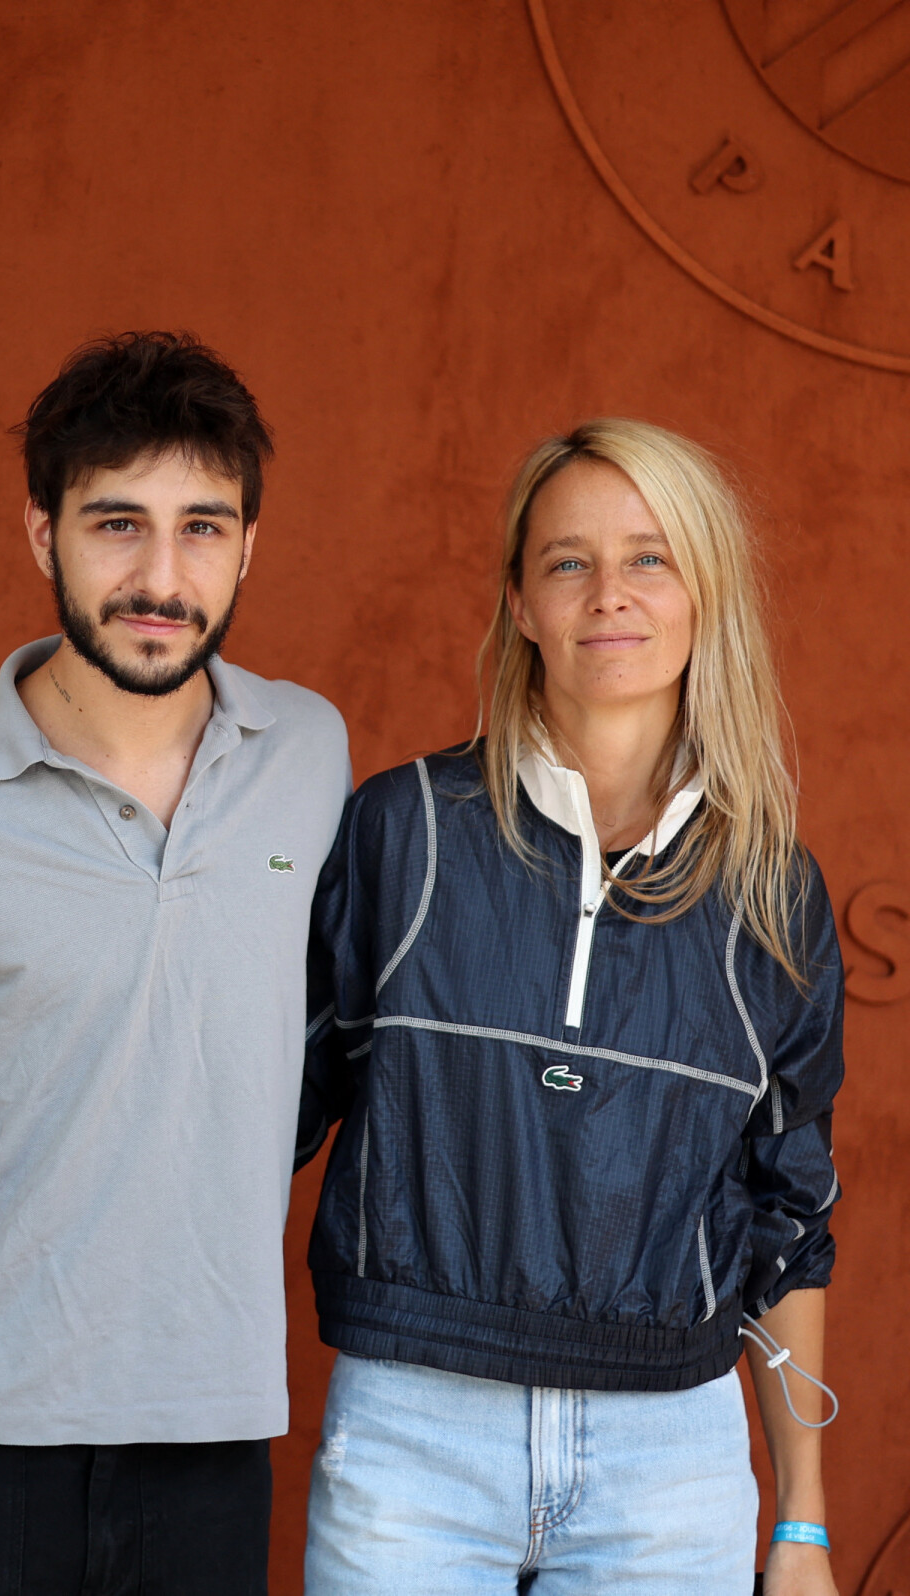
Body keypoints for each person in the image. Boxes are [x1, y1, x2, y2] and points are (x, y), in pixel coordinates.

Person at [0, 331, 350, 1596]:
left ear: (249, 545)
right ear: (42, 533)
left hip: (208, 1436)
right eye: (116, 525)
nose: (160, 574)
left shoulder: (309, 753)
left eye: (203, 527)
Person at [295, 419, 842, 1595]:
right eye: (567, 562)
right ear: (522, 603)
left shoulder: (773, 894)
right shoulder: (406, 830)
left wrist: (801, 1523)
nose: (610, 596)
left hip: (672, 1462)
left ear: (707, 596)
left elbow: (790, 1224)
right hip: (414, 1438)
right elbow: (256, 1116)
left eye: (651, 558)